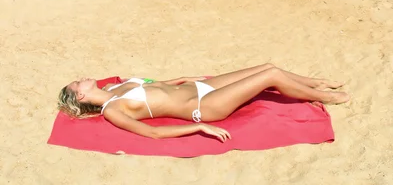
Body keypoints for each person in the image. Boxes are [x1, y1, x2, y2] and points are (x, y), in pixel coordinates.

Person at [58, 62, 349, 142]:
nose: (83, 77)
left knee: (266, 66)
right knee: (270, 76)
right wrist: (199, 129)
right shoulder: (113, 110)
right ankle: (326, 97)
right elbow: (153, 132)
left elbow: (153, 85)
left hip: (197, 87)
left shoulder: (114, 87)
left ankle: (312, 83)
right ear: (81, 96)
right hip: (204, 107)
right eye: (78, 82)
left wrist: (180, 78)